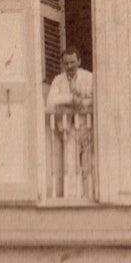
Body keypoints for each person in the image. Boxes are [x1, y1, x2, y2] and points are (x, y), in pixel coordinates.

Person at [45, 46, 95, 197]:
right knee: (71, 165)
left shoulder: (89, 77)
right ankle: (74, 199)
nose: (69, 66)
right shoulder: (58, 80)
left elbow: (96, 97)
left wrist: (83, 103)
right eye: (66, 63)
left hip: (87, 128)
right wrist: (70, 99)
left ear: (79, 61)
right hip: (69, 130)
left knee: (88, 165)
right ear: (62, 64)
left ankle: (89, 196)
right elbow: (50, 101)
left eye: (72, 62)